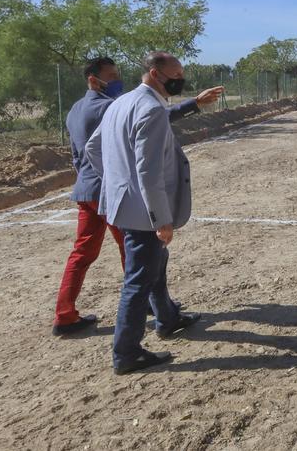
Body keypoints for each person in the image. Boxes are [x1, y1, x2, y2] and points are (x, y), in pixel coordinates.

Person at [53, 55, 222, 337]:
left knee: (83, 254)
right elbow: (154, 120)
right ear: (93, 80)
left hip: (86, 189)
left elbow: (79, 153)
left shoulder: (74, 110)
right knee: (143, 258)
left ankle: (65, 314)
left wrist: (92, 175)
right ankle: (150, 318)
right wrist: (194, 104)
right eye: (111, 76)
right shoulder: (113, 106)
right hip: (116, 192)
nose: (117, 80)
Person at [85, 51, 205, 374]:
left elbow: (93, 150)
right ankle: (126, 353)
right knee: (138, 279)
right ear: (155, 73)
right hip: (143, 213)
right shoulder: (151, 109)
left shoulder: (119, 104)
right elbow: (148, 172)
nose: (179, 80)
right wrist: (161, 219)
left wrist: (117, 182)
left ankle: (167, 318)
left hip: (124, 205)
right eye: (174, 74)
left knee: (155, 263)